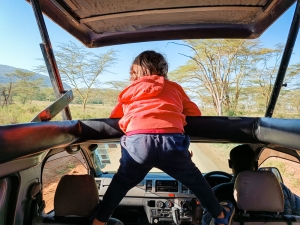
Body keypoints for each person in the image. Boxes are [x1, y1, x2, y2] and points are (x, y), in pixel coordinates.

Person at [92, 50, 235, 225]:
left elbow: (114, 119)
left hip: (138, 145)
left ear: (134, 71)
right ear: (163, 70)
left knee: (119, 184)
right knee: (196, 182)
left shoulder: (129, 92)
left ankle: (99, 221)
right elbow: (195, 114)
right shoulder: (174, 87)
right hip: (172, 145)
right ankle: (220, 216)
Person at [203, 144, 300, 225]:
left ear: (230, 164)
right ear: (256, 164)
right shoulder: (281, 190)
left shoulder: (219, 191)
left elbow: (205, 220)